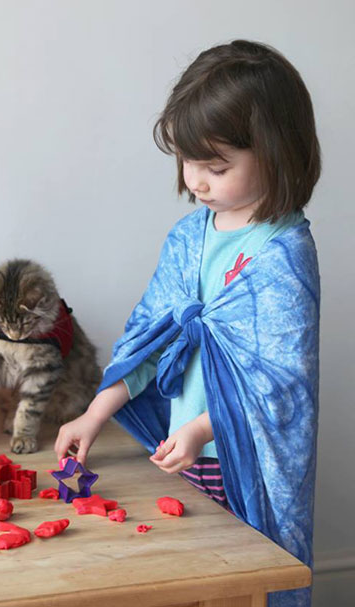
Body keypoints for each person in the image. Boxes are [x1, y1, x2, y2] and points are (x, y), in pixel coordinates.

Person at [54, 40, 320, 607]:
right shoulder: (188, 238)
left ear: (276, 154)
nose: (194, 181)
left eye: (215, 166)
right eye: (186, 161)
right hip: (180, 453)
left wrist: (200, 431)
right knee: (183, 581)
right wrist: (95, 412)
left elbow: (278, 385)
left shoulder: (282, 255)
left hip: (234, 461)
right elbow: (151, 338)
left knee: (233, 584)